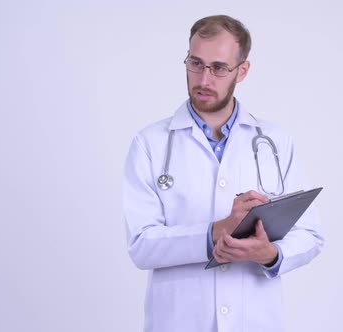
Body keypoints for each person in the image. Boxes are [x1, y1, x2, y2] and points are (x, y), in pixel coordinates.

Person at [122, 14, 324, 332]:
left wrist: (270, 254)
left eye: (218, 68)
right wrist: (215, 232)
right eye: (195, 63)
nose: (203, 80)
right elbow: (141, 245)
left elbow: (309, 235)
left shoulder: (276, 141)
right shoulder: (150, 143)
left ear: (241, 71)